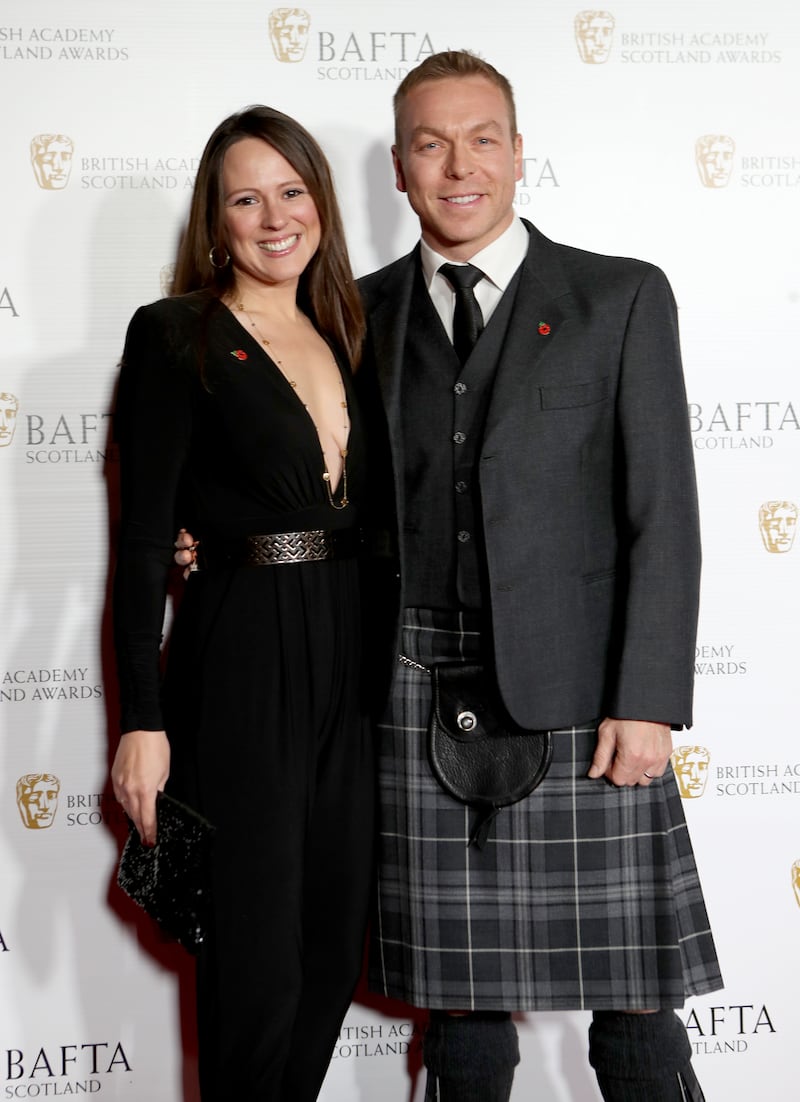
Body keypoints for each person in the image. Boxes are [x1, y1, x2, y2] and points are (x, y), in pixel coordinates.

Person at [355, 51, 722, 1102]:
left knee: (637, 1009)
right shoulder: (359, 313)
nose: (456, 164)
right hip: (413, 687)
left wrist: (645, 700)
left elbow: (664, 515)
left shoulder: (618, 297)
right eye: (429, 143)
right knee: (461, 1012)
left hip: (580, 703)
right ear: (398, 166)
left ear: (518, 155)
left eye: (480, 139)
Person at [110, 105, 373, 1101]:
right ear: (213, 221)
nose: (274, 219)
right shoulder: (176, 332)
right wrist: (143, 719)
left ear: (320, 202)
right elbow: (142, 543)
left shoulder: (353, 328)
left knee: (325, 949)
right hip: (240, 664)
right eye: (245, 199)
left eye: (292, 192)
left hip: (352, 671)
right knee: (254, 965)